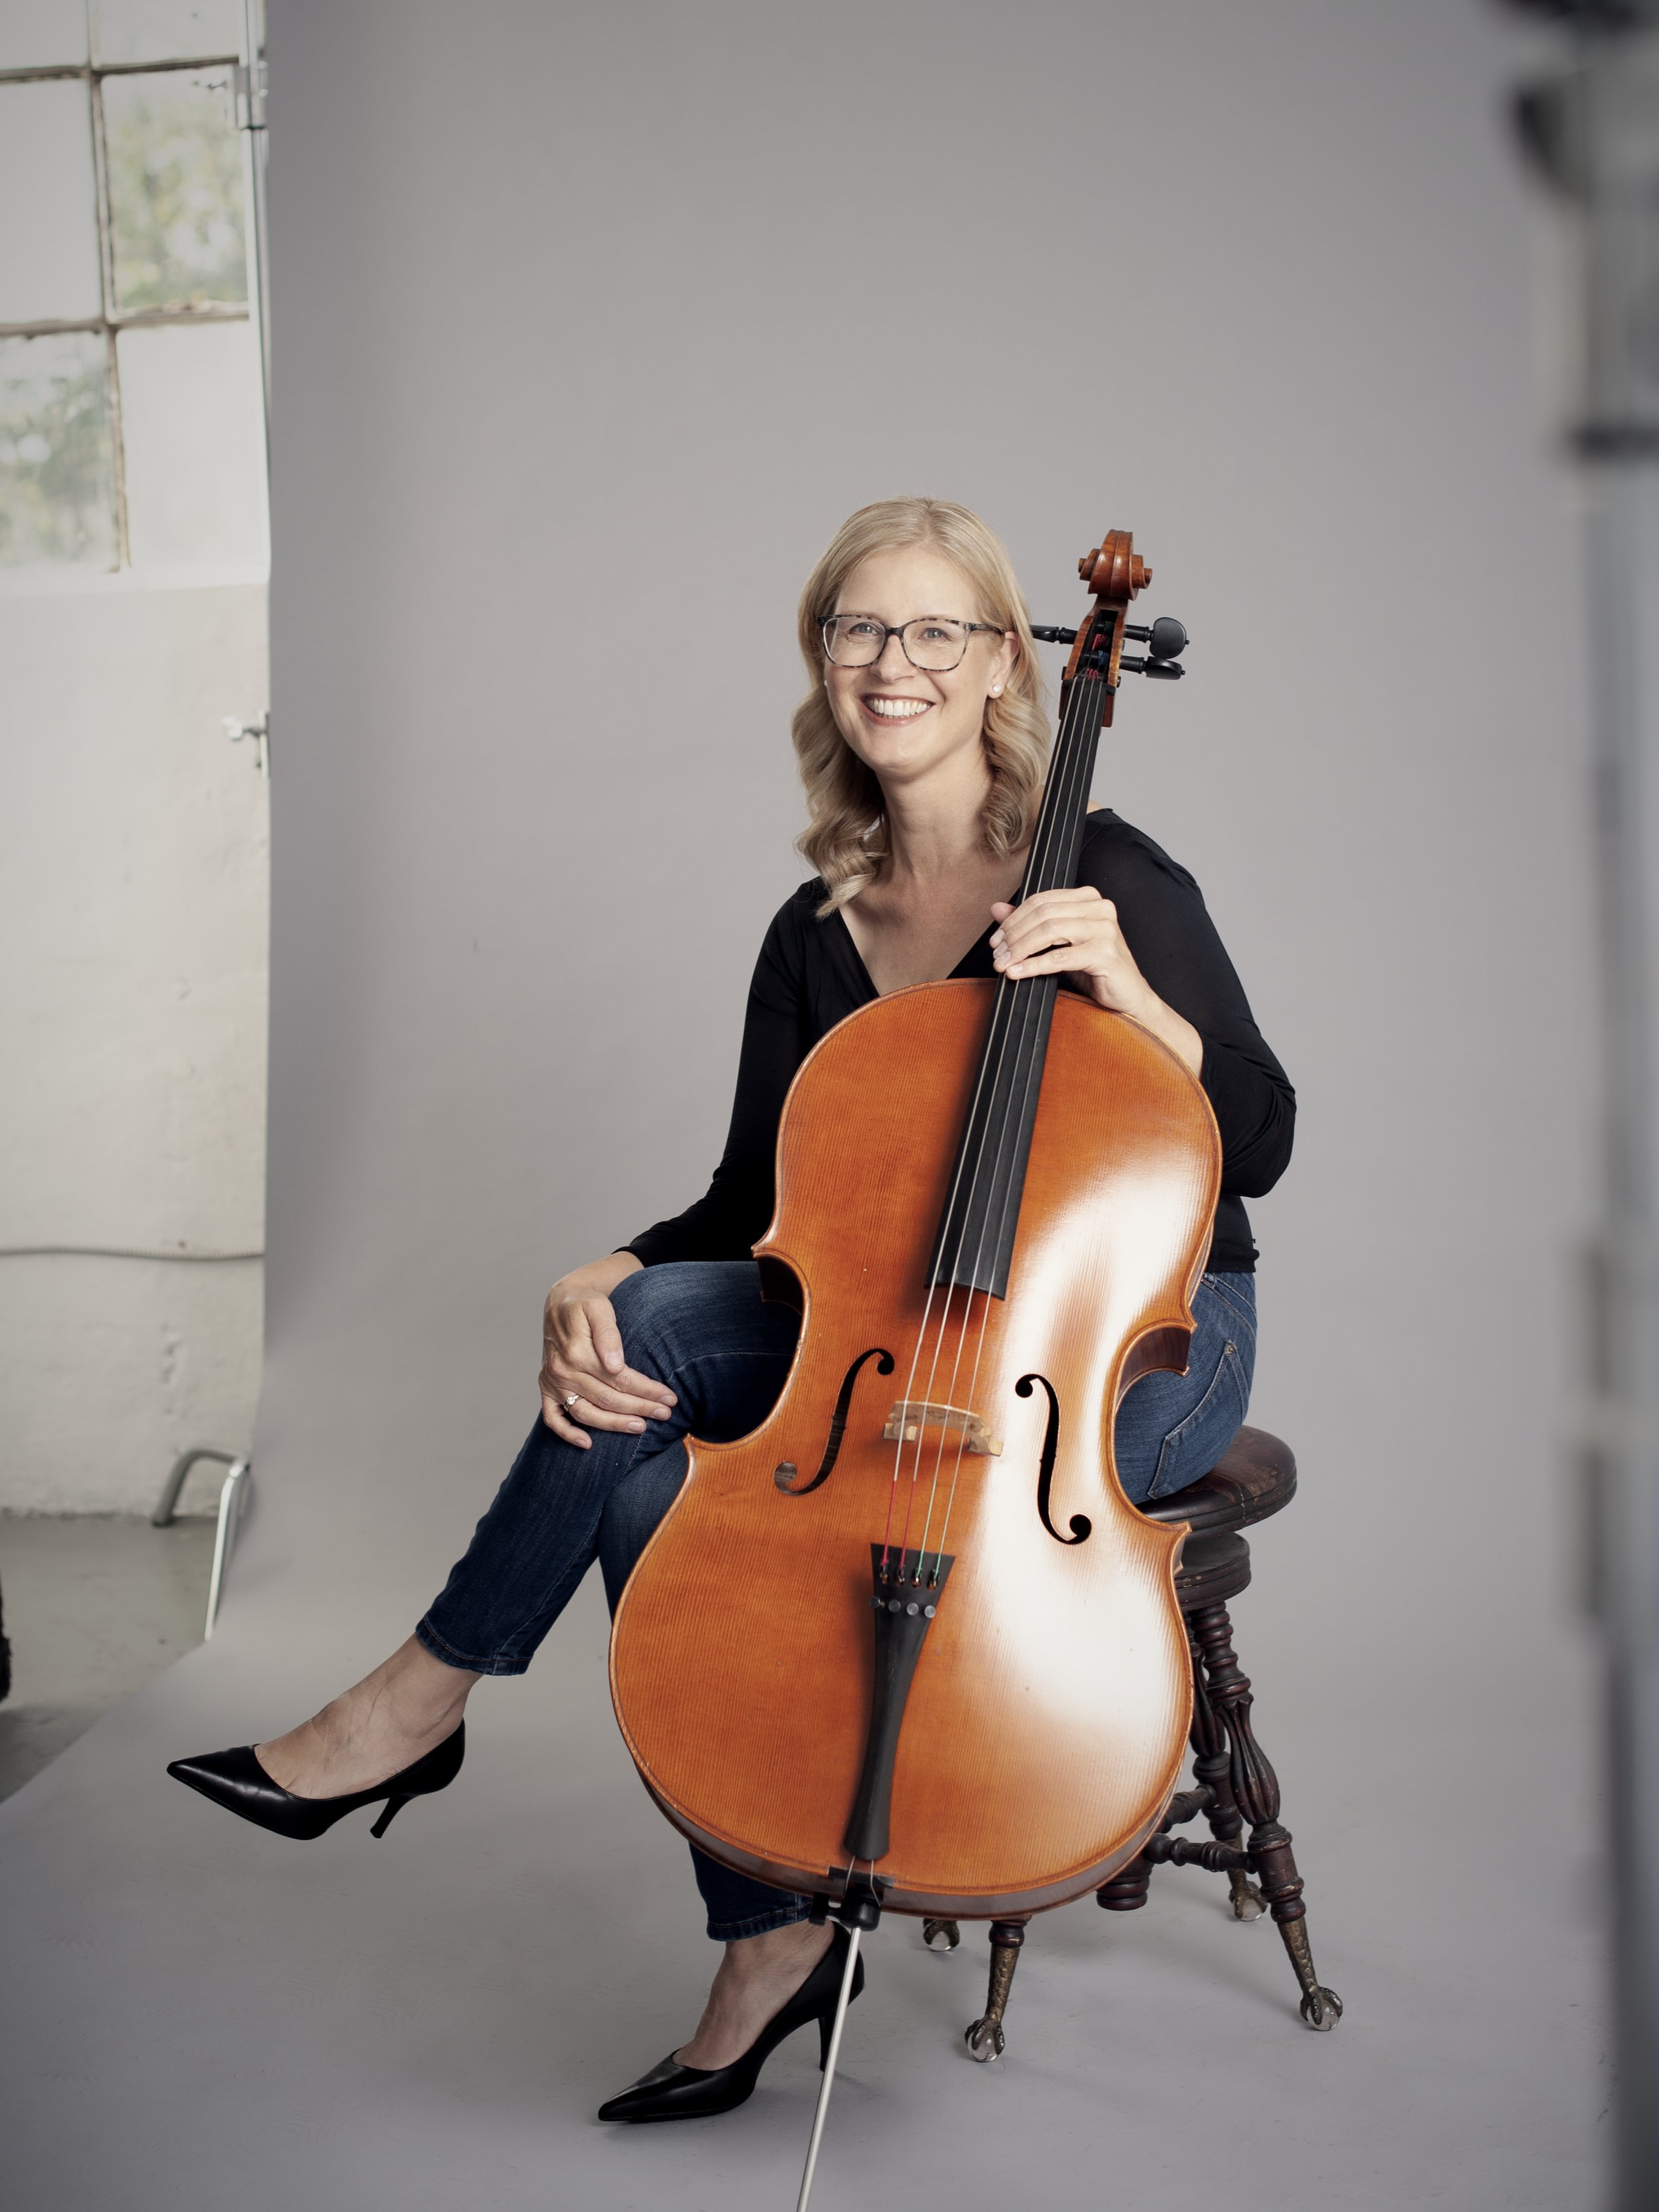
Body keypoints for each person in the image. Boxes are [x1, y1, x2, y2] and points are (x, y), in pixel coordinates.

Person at [169, 496, 1294, 2123]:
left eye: (931, 631)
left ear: (999, 667)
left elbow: (1259, 1135)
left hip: (1136, 1332)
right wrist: (601, 1272)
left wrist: (1133, 995)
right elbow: (756, 1213)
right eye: (855, 629)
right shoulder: (815, 929)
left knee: (657, 1419)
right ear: (820, 664)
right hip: (893, 1319)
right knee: (634, 1409)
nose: (888, 663)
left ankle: (417, 1706)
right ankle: (765, 1934)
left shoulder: (1106, 874)